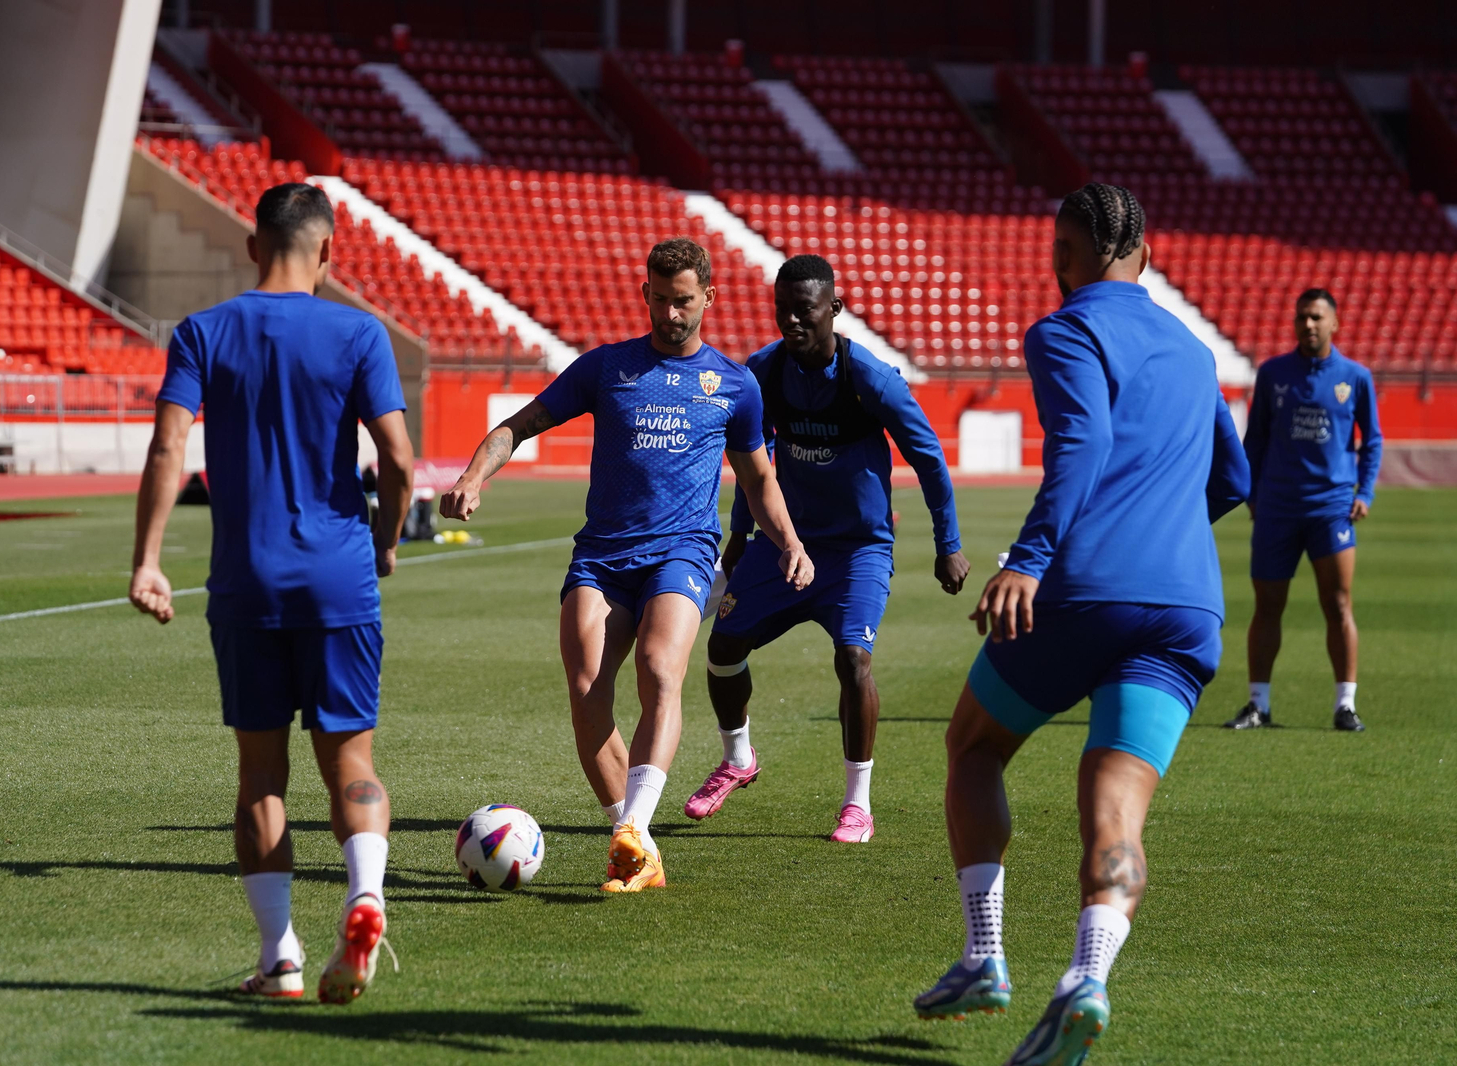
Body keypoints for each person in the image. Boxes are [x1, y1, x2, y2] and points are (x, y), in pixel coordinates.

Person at [910, 183, 1249, 1066]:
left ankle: (985, 955)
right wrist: (1162, 536)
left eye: (1056, 249)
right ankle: (1087, 978)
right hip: (1185, 606)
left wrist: (1028, 557)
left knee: (974, 748)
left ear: (1075, 252)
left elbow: (1083, 444)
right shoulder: (1193, 349)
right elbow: (1233, 481)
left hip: (1083, 587)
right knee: (1117, 815)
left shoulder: (1064, 329)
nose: (1051, 264)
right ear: (1146, 253)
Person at [440, 237, 813, 893]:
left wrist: (791, 542)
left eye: (685, 302)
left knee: (658, 668)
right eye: (661, 300)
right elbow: (516, 427)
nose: (672, 314)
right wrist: (473, 476)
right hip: (603, 555)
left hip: (683, 550)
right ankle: (633, 846)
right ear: (645, 294)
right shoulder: (605, 368)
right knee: (587, 691)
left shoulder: (733, 385)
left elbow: (759, 479)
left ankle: (636, 829)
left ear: (709, 298)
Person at [130, 183, 415, 1004]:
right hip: (339, 578)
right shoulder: (359, 332)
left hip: (246, 582)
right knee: (351, 761)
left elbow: (167, 448)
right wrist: (388, 538)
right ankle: (365, 897)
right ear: (328, 252)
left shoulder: (203, 332)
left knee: (262, 775)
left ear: (253, 247)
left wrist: (149, 560)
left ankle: (279, 957)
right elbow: (397, 461)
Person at [684, 254, 970, 844]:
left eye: (805, 311)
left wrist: (949, 545)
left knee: (854, 661)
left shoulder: (870, 379)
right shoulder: (763, 372)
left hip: (857, 550)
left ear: (833, 311)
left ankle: (857, 805)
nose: (791, 321)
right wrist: (738, 538)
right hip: (785, 544)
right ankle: (738, 759)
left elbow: (929, 458)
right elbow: (751, 458)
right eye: (782, 309)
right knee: (722, 644)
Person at [1225, 289, 1381, 732]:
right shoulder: (1274, 374)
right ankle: (1258, 705)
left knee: (1338, 603)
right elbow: (1254, 440)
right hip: (1277, 507)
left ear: (1334, 324)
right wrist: (1251, 493)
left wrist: (1364, 492)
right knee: (1267, 605)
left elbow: (1371, 440)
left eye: (1316, 317)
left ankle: (1345, 705)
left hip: (1331, 509)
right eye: (1301, 318)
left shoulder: (1356, 377)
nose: (1308, 325)